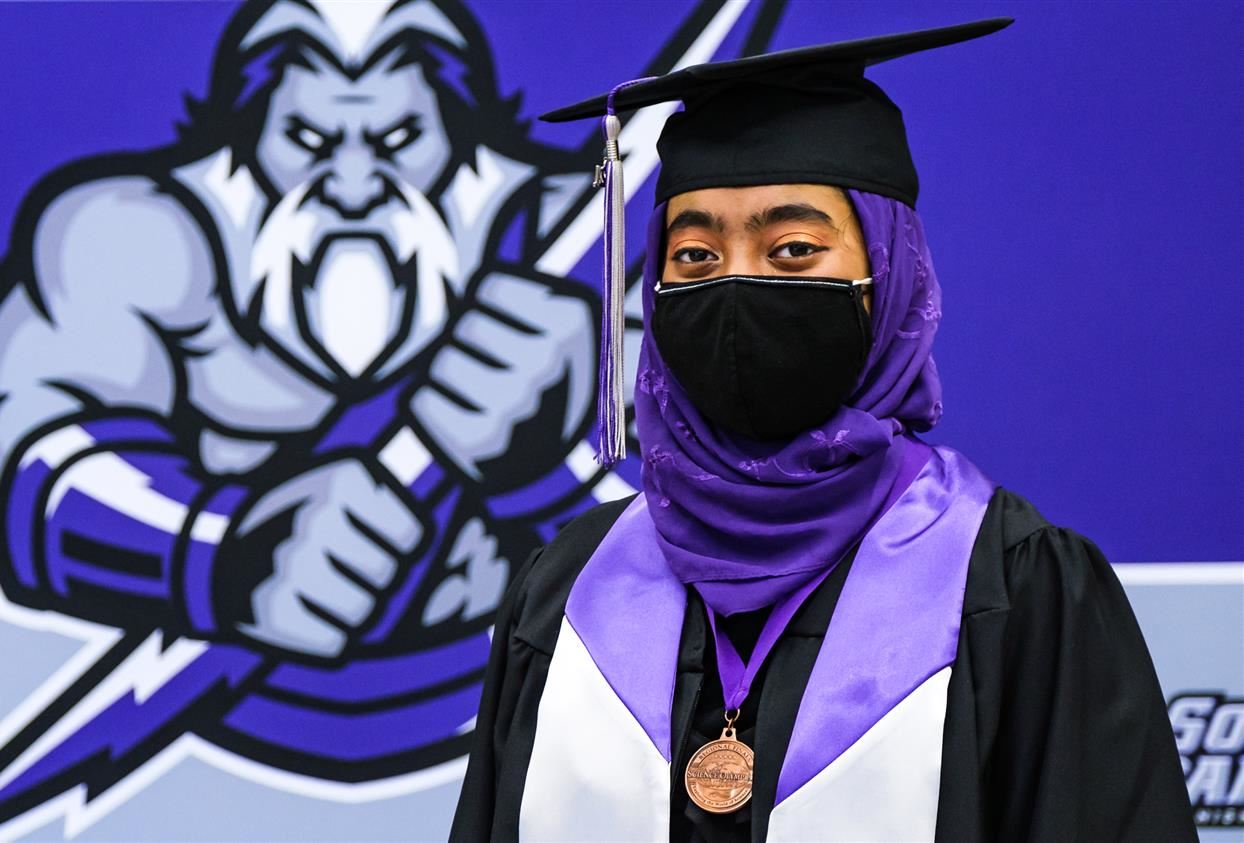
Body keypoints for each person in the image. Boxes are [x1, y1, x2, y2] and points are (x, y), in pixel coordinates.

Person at [450, 18, 1197, 843]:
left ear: (891, 276)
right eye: (694, 256)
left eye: (794, 248)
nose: (737, 284)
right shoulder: (568, 590)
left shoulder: (1011, 585)